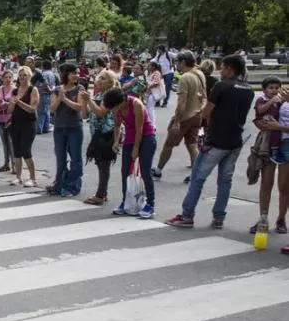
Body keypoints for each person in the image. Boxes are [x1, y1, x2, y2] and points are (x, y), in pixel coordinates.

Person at [166, 55, 255, 229]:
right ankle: (219, 217)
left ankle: (187, 215)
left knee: (197, 178)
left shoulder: (222, 86)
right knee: (225, 181)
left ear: (229, 69)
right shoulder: (248, 89)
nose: (220, 71)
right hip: (235, 140)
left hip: (216, 140)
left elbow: (206, 113)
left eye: (222, 67)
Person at [104, 88, 157, 218]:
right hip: (130, 136)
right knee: (125, 171)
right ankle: (126, 201)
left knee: (145, 172)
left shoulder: (136, 104)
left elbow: (140, 128)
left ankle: (150, 204)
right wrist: (116, 141)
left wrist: (136, 148)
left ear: (122, 100)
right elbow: (117, 126)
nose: (115, 110)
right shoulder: (116, 108)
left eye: (116, 107)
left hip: (146, 136)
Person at [153, 50, 205, 182]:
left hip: (185, 117)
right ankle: (195, 173)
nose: (176, 64)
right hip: (197, 114)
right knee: (192, 144)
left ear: (183, 62)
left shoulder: (185, 78)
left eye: (177, 61)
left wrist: (176, 121)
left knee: (169, 144)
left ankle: (158, 171)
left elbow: (182, 103)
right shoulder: (199, 74)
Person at [251, 79, 289, 235]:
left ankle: (281, 219)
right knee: (266, 184)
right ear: (264, 89)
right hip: (268, 146)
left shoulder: (285, 100)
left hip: (285, 145)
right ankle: (263, 219)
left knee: (284, 186)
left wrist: (277, 126)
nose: (274, 90)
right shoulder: (264, 100)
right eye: (271, 88)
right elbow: (259, 115)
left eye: (277, 88)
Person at [80, 69, 120, 205]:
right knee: (100, 163)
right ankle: (103, 192)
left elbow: (102, 113)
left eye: (103, 78)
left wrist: (89, 100)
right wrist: (84, 102)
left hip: (106, 133)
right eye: (99, 77)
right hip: (97, 133)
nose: (99, 80)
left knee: (103, 165)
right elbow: (85, 115)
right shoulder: (98, 95)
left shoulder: (110, 95)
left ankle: (100, 195)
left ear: (110, 82)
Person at [47, 62, 85, 197]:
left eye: (77, 73)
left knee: (75, 158)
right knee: (60, 157)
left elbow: (80, 107)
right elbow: (52, 109)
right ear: (66, 74)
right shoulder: (57, 89)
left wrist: (65, 100)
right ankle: (60, 183)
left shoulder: (79, 88)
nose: (76, 75)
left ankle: (72, 186)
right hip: (59, 128)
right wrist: (59, 98)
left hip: (74, 127)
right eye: (74, 73)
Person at [7, 66, 39, 187]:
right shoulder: (15, 91)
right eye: (20, 75)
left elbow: (32, 109)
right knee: (16, 151)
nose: (22, 77)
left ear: (29, 76)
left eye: (24, 75)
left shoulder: (33, 90)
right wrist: (11, 104)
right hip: (15, 123)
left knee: (26, 150)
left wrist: (19, 102)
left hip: (28, 124)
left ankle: (32, 178)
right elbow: (10, 110)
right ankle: (18, 177)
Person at [0, 69, 15, 172]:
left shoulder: (15, 89)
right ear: (2, 79)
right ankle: (6, 163)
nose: (8, 79)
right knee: (4, 143)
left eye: (10, 77)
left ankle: (14, 165)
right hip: (0, 118)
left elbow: (16, 103)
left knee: (11, 142)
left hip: (11, 119)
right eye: (6, 77)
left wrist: (7, 104)